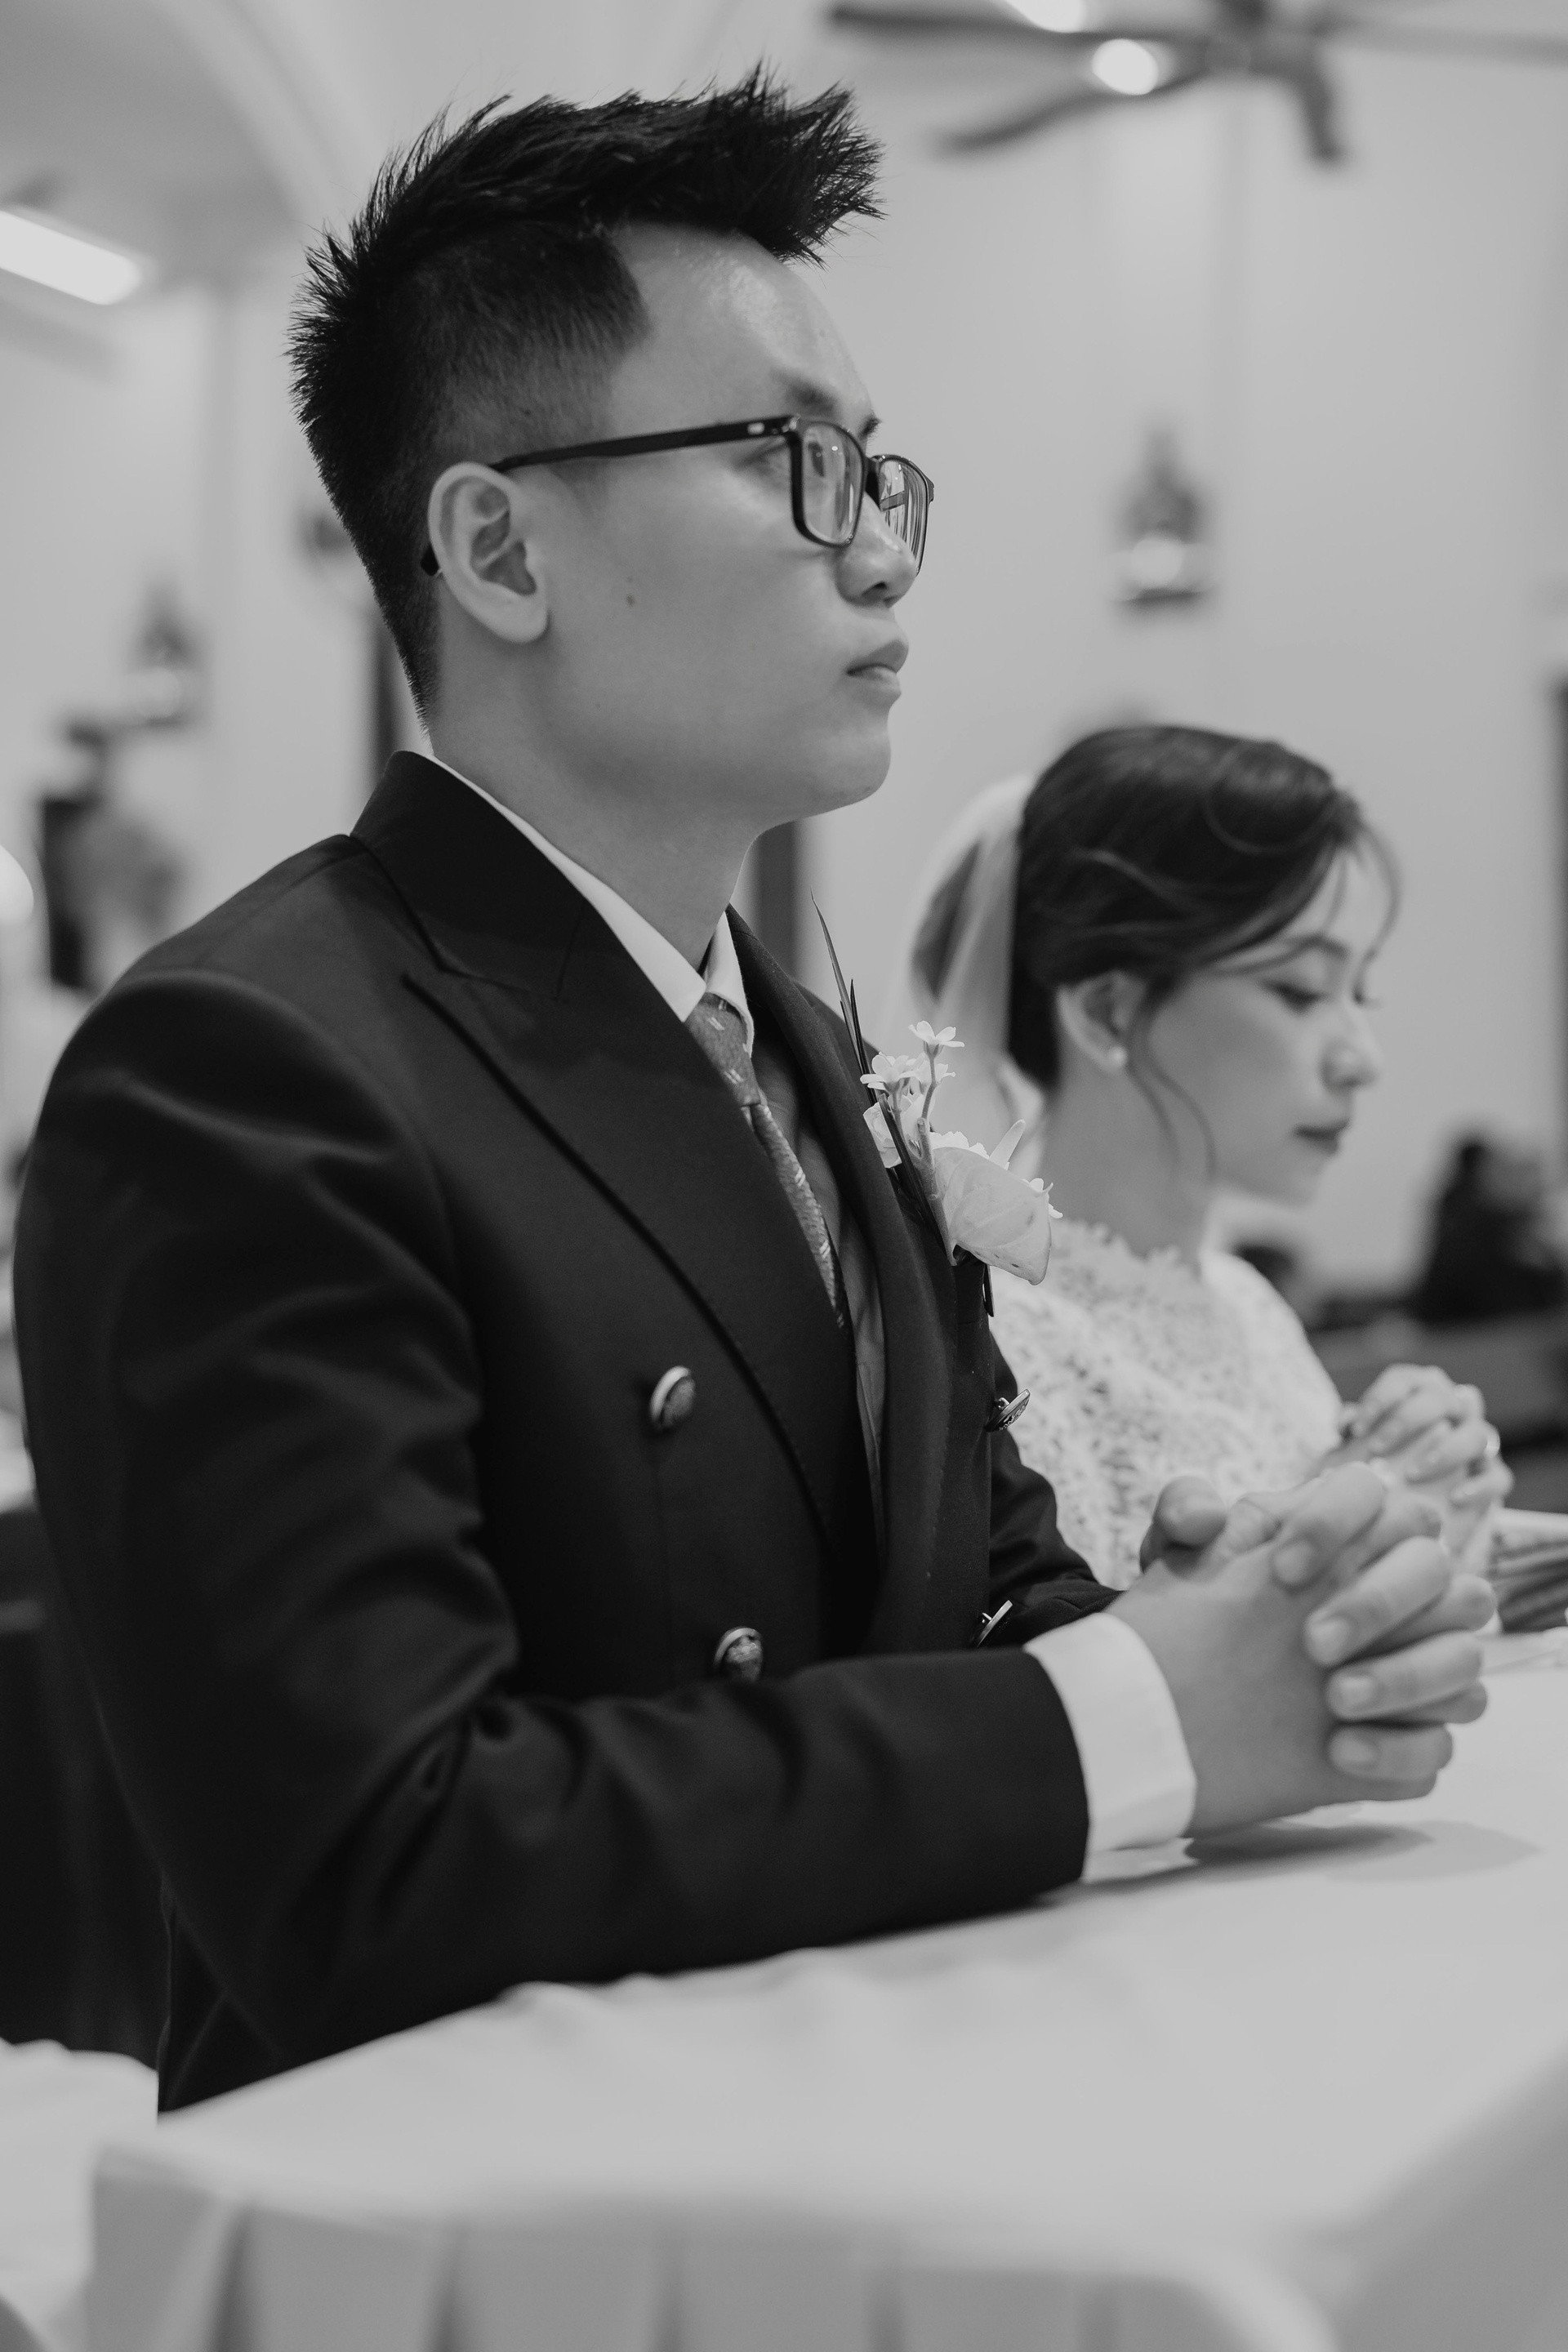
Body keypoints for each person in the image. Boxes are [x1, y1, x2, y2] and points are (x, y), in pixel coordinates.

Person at [15, 88, 1486, 2112]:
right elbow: (379, 1859)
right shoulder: (251, 1064)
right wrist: (1130, 1719)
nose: (878, 546)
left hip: (868, 2106)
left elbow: (976, 1585)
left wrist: (1260, 1618)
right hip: (488, 2205)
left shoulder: (798, 1041)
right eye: (794, 462)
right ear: (499, 548)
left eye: (881, 471)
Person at [888, 727, 1511, 1587]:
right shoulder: (996, 1338)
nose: (1362, 1059)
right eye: (1301, 990)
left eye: (1359, 992)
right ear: (1108, 1011)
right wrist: (1334, 1508)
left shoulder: (1250, 1307)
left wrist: (1431, 1491)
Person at [1410, 1131, 1568, 1326]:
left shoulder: (1488, 1220)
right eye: (1501, 1171)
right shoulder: (1476, 1226)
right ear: (1479, 1173)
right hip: (1475, 1332)